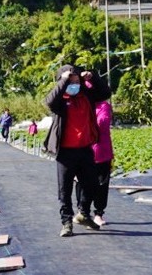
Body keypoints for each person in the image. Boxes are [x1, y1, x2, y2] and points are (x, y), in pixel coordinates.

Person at [44, 64, 110, 237]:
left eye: (76, 80)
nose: (74, 83)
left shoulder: (86, 95)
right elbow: (49, 101)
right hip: (65, 151)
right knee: (64, 190)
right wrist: (65, 79)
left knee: (92, 184)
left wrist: (93, 77)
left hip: (85, 148)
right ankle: (67, 223)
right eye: (70, 81)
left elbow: (105, 93)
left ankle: (83, 213)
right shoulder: (60, 101)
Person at [76, 86, 114, 227]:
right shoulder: (80, 105)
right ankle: (82, 211)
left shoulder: (103, 106)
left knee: (101, 184)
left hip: (102, 151)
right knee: (82, 183)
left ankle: (98, 213)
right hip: (83, 150)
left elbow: (102, 123)